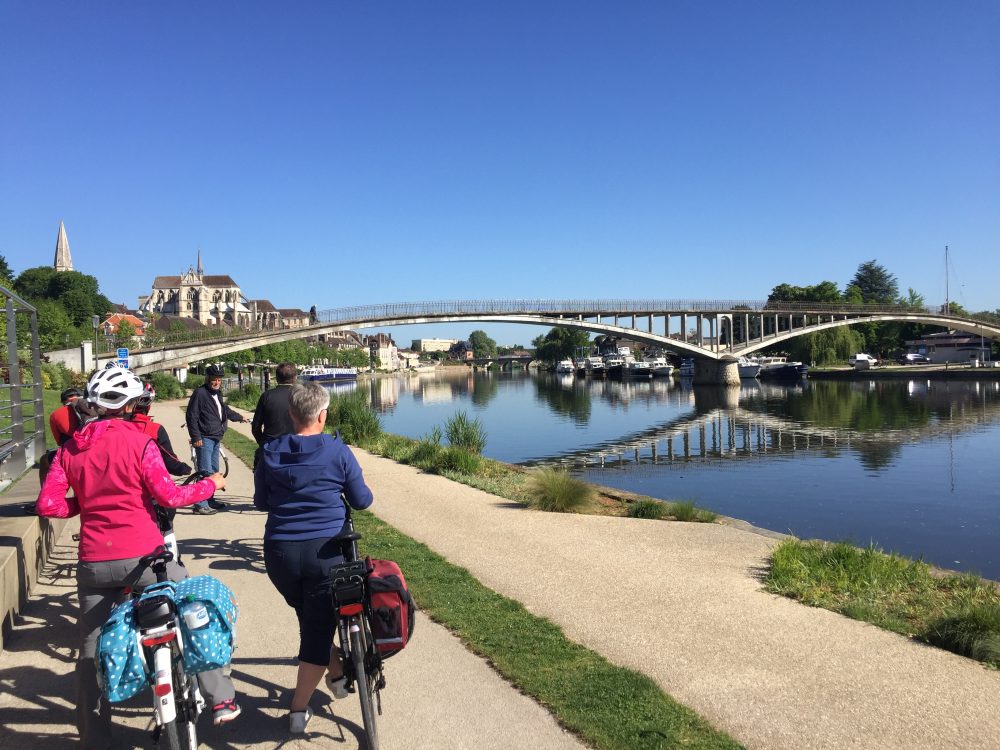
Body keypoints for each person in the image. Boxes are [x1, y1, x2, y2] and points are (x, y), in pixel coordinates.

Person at [36, 366, 240, 749]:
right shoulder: (140, 443)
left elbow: (47, 505)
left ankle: (94, 737)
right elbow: (170, 497)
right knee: (193, 606)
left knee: (90, 648)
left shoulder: (69, 449)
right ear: (130, 405)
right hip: (146, 559)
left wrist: (83, 503)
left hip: (95, 564)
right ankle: (219, 695)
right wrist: (209, 484)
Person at [253, 381, 373, 734]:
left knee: (311, 617)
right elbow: (363, 500)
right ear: (323, 415)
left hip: (281, 555)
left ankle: (336, 672)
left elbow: (262, 502)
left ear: (291, 415)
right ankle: (297, 709)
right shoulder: (338, 451)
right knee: (317, 630)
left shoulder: (270, 453)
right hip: (327, 555)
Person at [185, 364, 246, 514]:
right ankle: (200, 504)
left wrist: (239, 417)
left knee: (214, 471)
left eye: (219, 379)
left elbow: (224, 410)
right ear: (208, 378)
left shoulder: (217, 394)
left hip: (215, 437)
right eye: (214, 379)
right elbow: (191, 416)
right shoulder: (200, 393)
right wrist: (195, 436)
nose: (217, 382)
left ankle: (209, 499)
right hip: (204, 438)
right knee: (205, 471)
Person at [250, 361, 298, 469]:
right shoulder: (300, 396)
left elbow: (255, 427)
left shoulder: (266, 396)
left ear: (276, 378)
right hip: (295, 448)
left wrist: (263, 443)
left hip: (271, 449)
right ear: (295, 378)